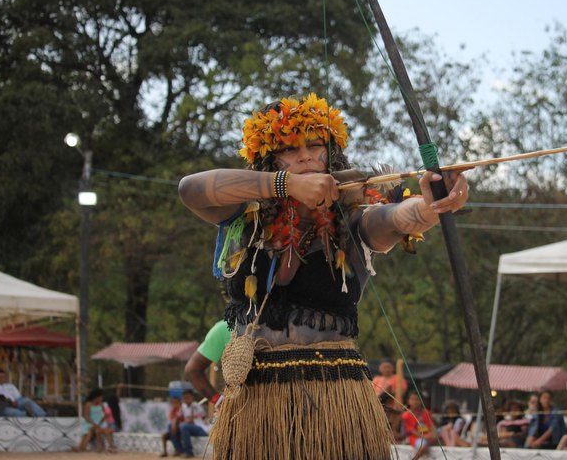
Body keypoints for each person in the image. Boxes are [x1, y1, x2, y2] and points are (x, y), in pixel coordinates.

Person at [178, 94, 469, 460]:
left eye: (315, 145)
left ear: (330, 153)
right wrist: (285, 185)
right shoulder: (246, 217)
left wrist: (431, 205)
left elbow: (396, 218)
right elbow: (190, 189)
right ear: (270, 159)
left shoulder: (353, 218)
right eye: (288, 148)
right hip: (255, 403)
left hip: (336, 398)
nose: (304, 156)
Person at [184, 319, 229, 413]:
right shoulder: (226, 328)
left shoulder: (224, 327)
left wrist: (218, 401)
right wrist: (219, 401)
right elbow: (192, 371)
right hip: (240, 415)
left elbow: (192, 371)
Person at [74, 388, 117, 453]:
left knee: (94, 430)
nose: (101, 398)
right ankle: (82, 447)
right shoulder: (88, 404)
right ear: (96, 397)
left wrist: (100, 423)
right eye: (100, 397)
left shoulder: (101, 404)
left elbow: (105, 415)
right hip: (90, 422)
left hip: (100, 423)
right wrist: (93, 423)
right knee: (89, 431)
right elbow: (86, 416)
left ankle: (82, 447)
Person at [402, 391, 437, 459]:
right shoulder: (406, 415)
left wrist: (432, 433)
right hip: (415, 437)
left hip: (429, 435)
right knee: (424, 444)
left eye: (417, 399)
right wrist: (424, 436)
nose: (415, 402)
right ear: (408, 401)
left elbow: (432, 425)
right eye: (412, 399)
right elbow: (410, 430)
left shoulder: (427, 412)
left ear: (421, 401)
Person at [179, 390, 208, 458]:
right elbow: (180, 417)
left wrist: (194, 417)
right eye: (185, 398)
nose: (186, 399)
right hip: (190, 428)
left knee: (184, 427)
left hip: (200, 428)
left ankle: (189, 452)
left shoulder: (196, 405)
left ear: (192, 398)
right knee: (175, 426)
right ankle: (179, 450)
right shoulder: (183, 406)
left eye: (188, 397)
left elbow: (203, 416)